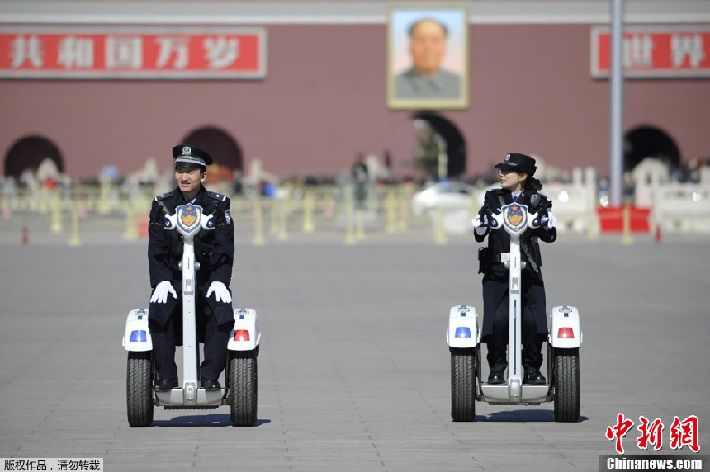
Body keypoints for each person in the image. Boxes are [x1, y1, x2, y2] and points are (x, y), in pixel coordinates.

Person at [148, 144, 235, 392]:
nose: (184, 176)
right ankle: (165, 376)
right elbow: (155, 250)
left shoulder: (218, 206)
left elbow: (225, 249)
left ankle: (209, 377)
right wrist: (161, 281)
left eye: (191, 171)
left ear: (203, 175)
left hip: (206, 279)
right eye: (179, 170)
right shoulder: (162, 206)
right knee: (159, 309)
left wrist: (220, 281)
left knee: (222, 311)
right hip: (174, 279)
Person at [472, 153, 557, 385]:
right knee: (498, 320)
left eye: (506, 171)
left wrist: (544, 223)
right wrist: (483, 222)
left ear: (522, 176)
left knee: (532, 320)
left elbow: (550, 236)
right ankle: (497, 368)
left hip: (528, 272)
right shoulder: (493, 198)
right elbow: (479, 233)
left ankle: (532, 369)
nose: (501, 174)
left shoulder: (537, 201)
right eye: (501, 169)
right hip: (497, 272)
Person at [394, 18, 461, 100]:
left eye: (435, 41)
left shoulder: (460, 85)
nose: (428, 48)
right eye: (420, 40)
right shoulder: (393, 85)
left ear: (444, 47)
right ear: (410, 47)